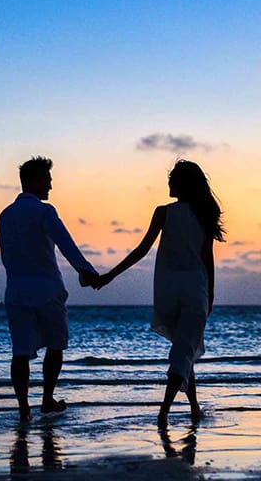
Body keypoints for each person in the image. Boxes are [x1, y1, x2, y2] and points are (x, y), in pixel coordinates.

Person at [96, 160, 224, 428]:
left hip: (167, 292)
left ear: (182, 184)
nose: (168, 183)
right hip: (195, 290)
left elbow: (141, 250)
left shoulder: (163, 212)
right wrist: (210, 295)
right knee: (183, 351)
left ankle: (194, 408)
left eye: (171, 179)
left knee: (184, 349)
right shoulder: (204, 214)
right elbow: (207, 258)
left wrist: (110, 275)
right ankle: (163, 413)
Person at [0, 156, 100, 422]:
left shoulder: (5, 215)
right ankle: (46, 400)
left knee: (20, 352)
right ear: (32, 181)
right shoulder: (45, 212)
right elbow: (66, 244)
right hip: (46, 289)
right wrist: (87, 272)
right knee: (55, 346)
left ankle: (23, 408)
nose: (50, 187)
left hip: (16, 290)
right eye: (46, 180)